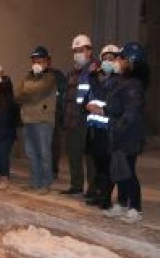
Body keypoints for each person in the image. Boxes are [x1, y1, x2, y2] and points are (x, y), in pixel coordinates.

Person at [87, 42, 149, 224]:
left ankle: (135, 208)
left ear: (131, 61)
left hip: (128, 135)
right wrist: (102, 111)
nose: (117, 62)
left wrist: (118, 129)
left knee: (128, 172)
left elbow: (130, 114)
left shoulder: (134, 85)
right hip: (117, 132)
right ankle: (122, 204)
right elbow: (116, 107)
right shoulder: (123, 82)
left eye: (121, 58)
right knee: (118, 171)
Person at [15, 45, 57, 194]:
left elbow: (37, 93)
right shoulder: (27, 77)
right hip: (28, 119)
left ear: (47, 62)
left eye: (40, 61)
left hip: (43, 120)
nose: (37, 64)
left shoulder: (50, 77)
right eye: (34, 61)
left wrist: (28, 92)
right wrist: (28, 93)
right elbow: (18, 94)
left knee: (44, 152)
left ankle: (46, 183)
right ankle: (35, 181)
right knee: (31, 153)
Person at [60, 34, 96, 197]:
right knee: (74, 154)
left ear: (89, 51)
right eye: (75, 51)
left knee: (90, 158)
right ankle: (76, 185)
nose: (77, 54)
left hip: (88, 120)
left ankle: (93, 188)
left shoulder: (95, 69)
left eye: (80, 50)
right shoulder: (72, 72)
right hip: (72, 120)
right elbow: (67, 97)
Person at [86, 44, 121, 209]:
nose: (107, 62)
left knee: (107, 165)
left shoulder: (117, 80)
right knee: (99, 163)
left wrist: (93, 78)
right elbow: (92, 95)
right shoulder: (102, 78)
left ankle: (106, 197)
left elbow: (102, 94)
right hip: (96, 127)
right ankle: (100, 194)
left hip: (108, 128)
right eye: (105, 59)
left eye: (111, 59)